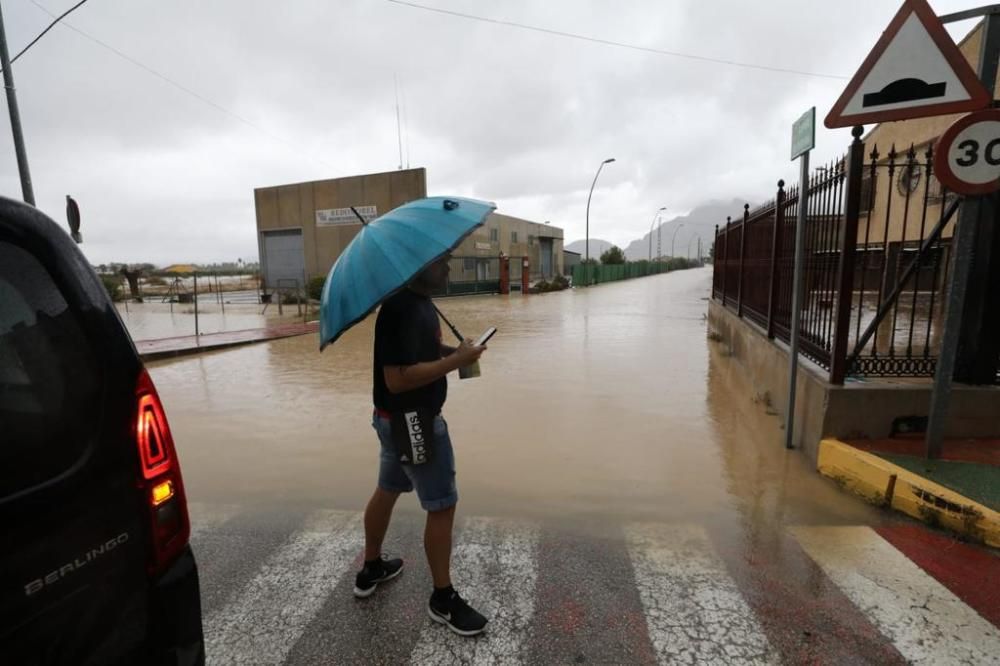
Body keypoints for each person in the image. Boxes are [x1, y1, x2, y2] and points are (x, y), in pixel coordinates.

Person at [353, 254, 489, 637]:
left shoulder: (421, 305)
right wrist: (455, 362)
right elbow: (397, 378)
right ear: (418, 267)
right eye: (441, 263)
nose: (448, 269)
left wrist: (457, 352)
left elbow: (422, 354)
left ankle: (372, 566)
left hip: (392, 420)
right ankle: (442, 599)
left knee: (389, 487)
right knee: (442, 505)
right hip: (414, 422)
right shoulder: (399, 308)